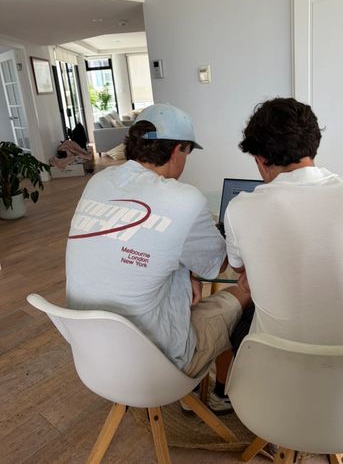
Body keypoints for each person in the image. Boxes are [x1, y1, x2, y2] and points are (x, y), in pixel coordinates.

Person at [66, 103, 250, 412]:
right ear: (178, 149)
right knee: (245, 290)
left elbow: (135, 243)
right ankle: (220, 394)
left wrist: (185, 272)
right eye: (188, 152)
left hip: (93, 360)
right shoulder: (184, 199)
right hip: (156, 368)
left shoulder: (98, 181)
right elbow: (220, 265)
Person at [225, 97, 343, 347]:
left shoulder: (240, 209)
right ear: (313, 146)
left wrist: (258, 271)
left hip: (277, 362)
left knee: (240, 320)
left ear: (260, 159)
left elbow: (238, 269)